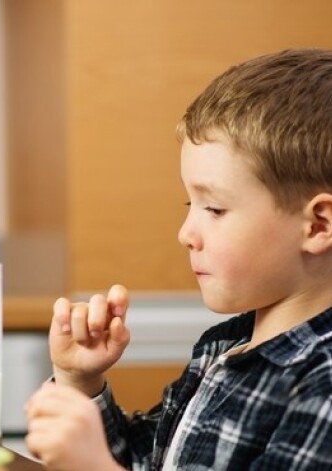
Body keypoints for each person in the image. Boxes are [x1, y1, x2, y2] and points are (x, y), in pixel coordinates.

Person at [25, 48, 332, 470]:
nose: (185, 233)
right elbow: (144, 463)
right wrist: (81, 381)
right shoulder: (223, 349)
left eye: (215, 209)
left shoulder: (323, 385)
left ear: (318, 225)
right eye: (188, 204)